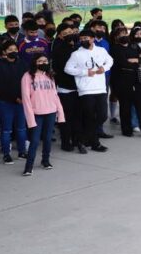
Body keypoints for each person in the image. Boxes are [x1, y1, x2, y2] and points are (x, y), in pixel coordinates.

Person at [65, 28, 113, 152]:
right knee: (89, 116)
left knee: (102, 115)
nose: (83, 41)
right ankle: (95, 143)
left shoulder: (101, 50)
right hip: (85, 89)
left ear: (92, 39)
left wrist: (105, 68)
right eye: (81, 39)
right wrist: (84, 72)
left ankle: (82, 139)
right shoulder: (76, 54)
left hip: (100, 87)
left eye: (86, 38)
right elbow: (68, 69)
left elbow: (110, 60)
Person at [21, 54, 65, 176]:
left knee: (47, 139)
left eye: (45, 61)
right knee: (34, 141)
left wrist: (60, 112)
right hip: (36, 114)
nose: (43, 63)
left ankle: (45, 161)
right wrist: (30, 119)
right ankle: (28, 166)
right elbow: (26, 99)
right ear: (35, 62)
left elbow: (55, 95)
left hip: (50, 112)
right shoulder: (27, 76)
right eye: (40, 61)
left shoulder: (50, 75)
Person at [0, 39, 29, 164]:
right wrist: (15, 98)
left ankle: (22, 152)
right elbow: (0, 87)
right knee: (6, 130)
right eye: (10, 50)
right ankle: (6, 154)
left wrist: (24, 97)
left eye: (15, 49)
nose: (13, 52)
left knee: (22, 128)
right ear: (4, 52)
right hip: (5, 102)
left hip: (22, 101)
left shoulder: (22, 64)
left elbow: (27, 82)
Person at [110, 27, 141, 138]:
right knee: (125, 106)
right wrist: (135, 61)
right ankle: (127, 130)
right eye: (120, 34)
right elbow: (122, 63)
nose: (123, 36)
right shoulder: (114, 49)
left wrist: (136, 60)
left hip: (136, 79)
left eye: (125, 33)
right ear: (116, 37)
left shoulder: (134, 45)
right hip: (122, 81)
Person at [51, 23, 83, 153]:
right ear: (60, 36)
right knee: (66, 117)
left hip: (79, 88)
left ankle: (77, 140)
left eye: (71, 32)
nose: (70, 35)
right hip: (65, 88)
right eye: (65, 34)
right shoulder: (58, 49)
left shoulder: (78, 47)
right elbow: (61, 71)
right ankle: (66, 141)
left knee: (78, 116)